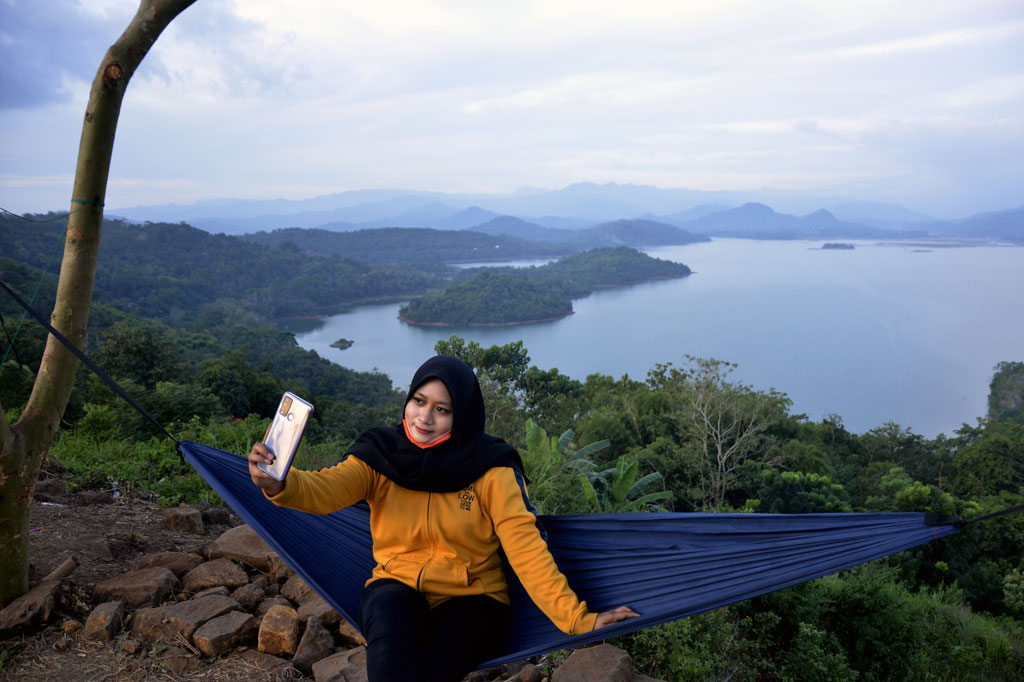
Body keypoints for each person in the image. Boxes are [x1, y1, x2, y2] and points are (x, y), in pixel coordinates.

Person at [248, 355, 638, 682]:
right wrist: (278, 483)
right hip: (395, 583)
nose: (424, 417)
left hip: (474, 597)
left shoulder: (492, 469)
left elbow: (526, 548)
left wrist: (577, 620)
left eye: (442, 409)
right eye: (419, 401)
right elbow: (324, 489)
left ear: (462, 415)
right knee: (389, 641)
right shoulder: (380, 454)